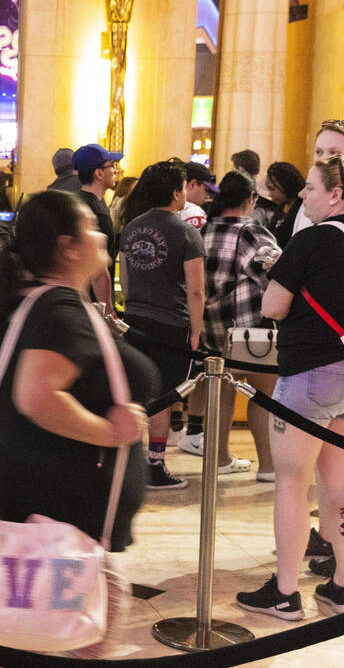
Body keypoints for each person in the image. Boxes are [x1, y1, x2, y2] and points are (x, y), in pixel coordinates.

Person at [0, 190, 151, 668]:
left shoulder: (48, 302)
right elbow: (37, 396)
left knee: (100, 605)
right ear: (68, 246)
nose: (105, 238)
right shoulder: (57, 309)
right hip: (53, 502)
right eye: (95, 230)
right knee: (34, 638)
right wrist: (112, 432)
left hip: (58, 502)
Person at [236, 154, 344, 620]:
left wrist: (281, 276)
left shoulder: (312, 240)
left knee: (292, 483)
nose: (303, 194)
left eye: (313, 187)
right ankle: (341, 586)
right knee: (342, 482)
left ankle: (284, 592)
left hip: (312, 375)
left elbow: (274, 306)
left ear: (337, 195)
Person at [185, 170, 281, 480]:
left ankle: (220, 458)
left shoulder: (205, 230)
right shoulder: (252, 232)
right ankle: (268, 466)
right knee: (262, 396)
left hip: (214, 327)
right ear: (250, 198)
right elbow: (278, 277)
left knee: (222, 392)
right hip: (251, 331)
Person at [118, 160, 205, 489]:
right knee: (163, 397)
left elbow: (125, 280)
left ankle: (131, 461)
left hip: (135, 320)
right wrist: (195, 332)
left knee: (136, 392)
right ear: (175, 193)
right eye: (183, 187)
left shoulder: (131, 227)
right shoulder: (187, 232)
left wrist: (133, 307)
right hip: (171, 324)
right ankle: (154, 465)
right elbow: (195, 289)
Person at [71, 143, 120, 309]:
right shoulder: (97, 213)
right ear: (99, 173)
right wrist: (108, 313)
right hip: (91, 303)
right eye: (112, 165)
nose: (116, 170)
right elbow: (99, 272)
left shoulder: (75, 201)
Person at [260, 161, 305, 248]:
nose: (270, 194)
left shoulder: (302, 209)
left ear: (286, 184)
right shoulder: (282, 207)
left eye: (272, 189)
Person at [180, 161, 217, 229]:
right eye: (206, 190)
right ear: (192, 184)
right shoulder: (193, 213)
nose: (207, 196)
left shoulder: (166, 207)